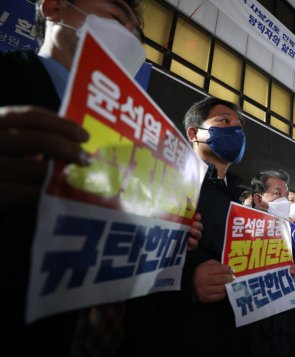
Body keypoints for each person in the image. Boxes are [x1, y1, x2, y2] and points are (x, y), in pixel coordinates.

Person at [1, 1, 198, 354]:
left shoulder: (149, 148)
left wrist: (174, 231)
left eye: (135, 32)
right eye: (116, 14)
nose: (128, 35)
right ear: (54, 7)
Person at [121, 96, 244, 356]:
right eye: (224, 121)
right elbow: (124, 258)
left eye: (239, 125)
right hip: (173, 333)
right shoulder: (158, 179)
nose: (236, 129)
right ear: (194, 132)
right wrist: (186, 285)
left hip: (229, 337)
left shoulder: (241, 199)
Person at [250, 169, 295, 357]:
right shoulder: (244, 235)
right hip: (262, 334)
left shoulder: (286, 234)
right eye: (278, 193)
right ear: (258, 199)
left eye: (287, 195)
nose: (285, 201)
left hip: (290, 329)